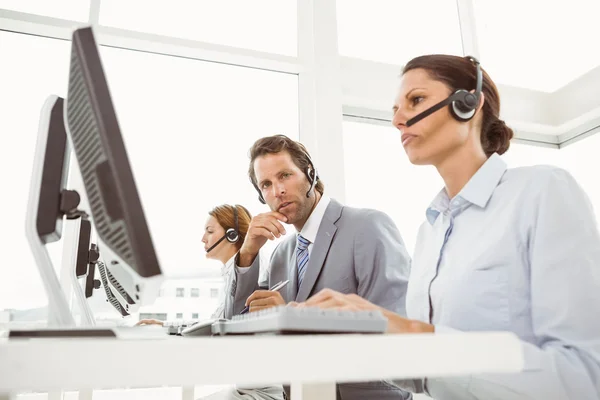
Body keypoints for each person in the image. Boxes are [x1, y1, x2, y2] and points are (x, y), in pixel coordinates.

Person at [296, 54, 600, 400]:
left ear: (470, 103)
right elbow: (429, 375)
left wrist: (410, 333)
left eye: (416, 100)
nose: (398, 120)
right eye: (395, 108)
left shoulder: (542, 192)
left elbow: (585, 377)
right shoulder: (432, 229)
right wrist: (359, 337)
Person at [227, 134, 412, 400]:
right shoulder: (282, 252)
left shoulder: (368, 226)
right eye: (266, 184)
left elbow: (393, 326)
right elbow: (238, 325)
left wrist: (292, 319)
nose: (277, 191)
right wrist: (247, 252)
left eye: (285, 176)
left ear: (310, 174)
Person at [138, 204, 284, 400]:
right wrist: (166, 325)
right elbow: (215, 323)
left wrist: (168, 327)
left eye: (210, 231)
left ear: (231, 235)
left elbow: (223, 325)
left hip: (263, 392)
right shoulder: (231, 274)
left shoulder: (251, 272)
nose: (203, 238)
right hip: (246, 388)